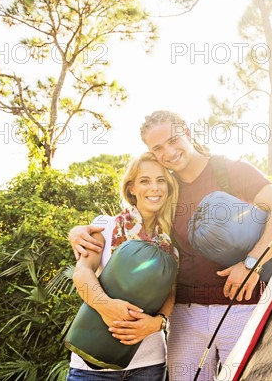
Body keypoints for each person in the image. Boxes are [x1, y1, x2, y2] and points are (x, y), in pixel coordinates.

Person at [70, 110, 272, 380]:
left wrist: (252, 264)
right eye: (158, 148)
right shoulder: (166, 187)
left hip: (241, 306)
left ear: (187, 133)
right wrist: (82, 230)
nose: (169, 151)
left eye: (173, 140)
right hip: (185, 315)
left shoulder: (229, 170)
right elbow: (136, 223)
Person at [67, 152, 179, 381]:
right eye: (145, 181)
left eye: (161, 180)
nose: (154, 188)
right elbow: (82, 272)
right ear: (131, 189)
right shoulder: (104, 228)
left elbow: (170, 296)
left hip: (149, 364)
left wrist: (157, 324)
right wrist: (106, 306)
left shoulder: (170, 246)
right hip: (91, 366)